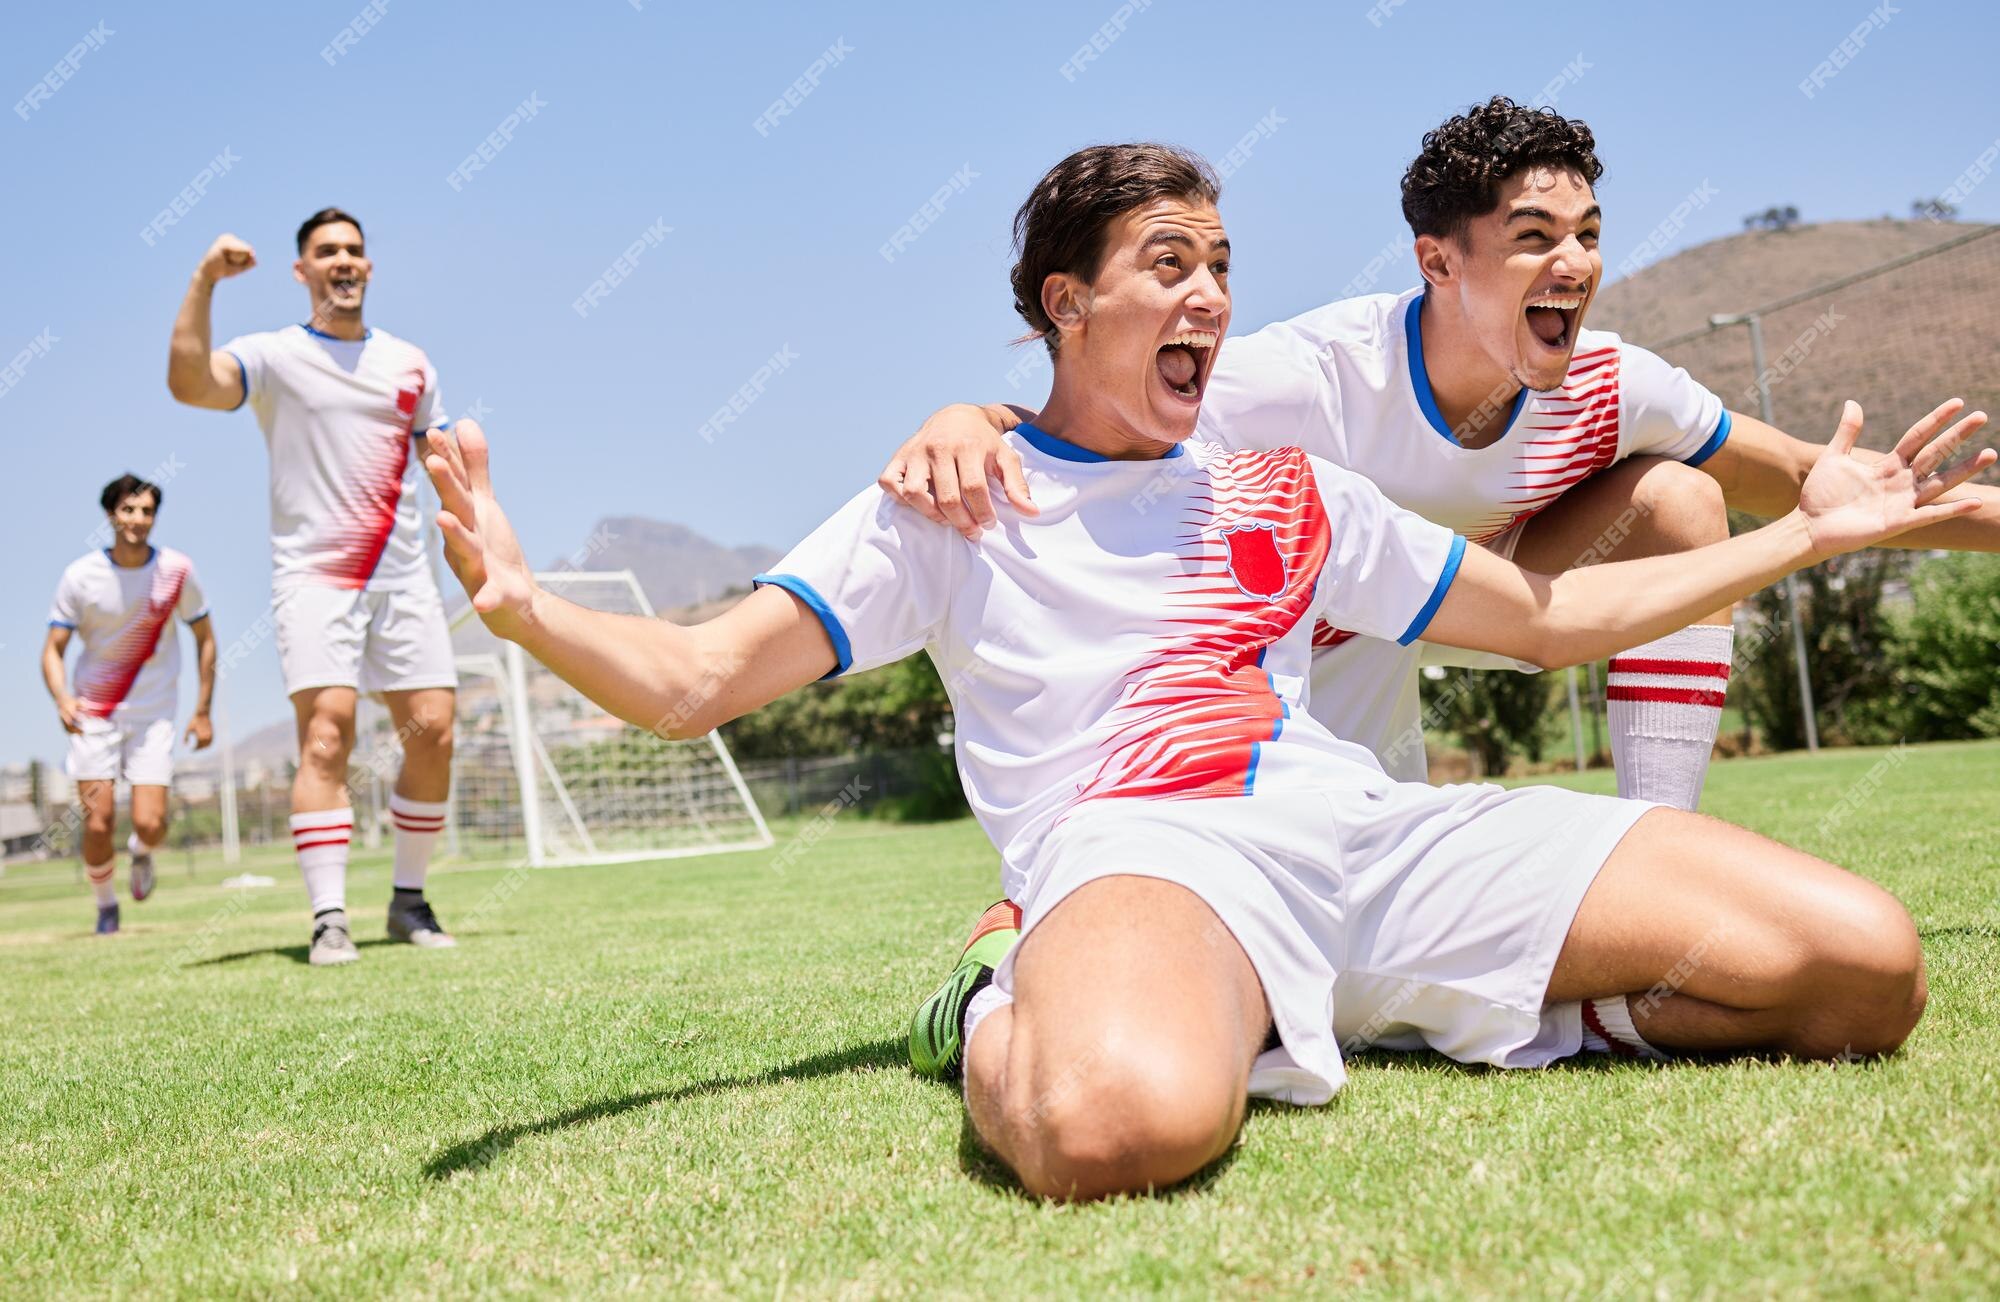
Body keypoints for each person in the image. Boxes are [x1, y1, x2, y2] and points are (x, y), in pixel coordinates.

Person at [423, 144, 1985, 1200]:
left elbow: (1550, 617)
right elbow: (695, 676)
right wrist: (525, 608)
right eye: (1167, 265)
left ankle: (1446, 1004)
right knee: (1111, 1126)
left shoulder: (1283, 487)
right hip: (1146, 856)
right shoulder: (952, 502)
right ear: (1065, 303)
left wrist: (1816, 543)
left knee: (1861, 963)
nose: (1211, 297)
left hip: (1363, 835)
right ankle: (990, 980)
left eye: (1221, 264)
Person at [879, 97, 2000, 808]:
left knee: (1677, 501)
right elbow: (1099, 417)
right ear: (1436, 261)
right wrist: (968, 419)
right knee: (1304, 857)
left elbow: (1826, 487)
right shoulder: (1304, 377)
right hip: (1319, 640)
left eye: (1587, 236)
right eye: (1531, 239)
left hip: (1513, 600)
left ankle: (1661, 839)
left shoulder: (1614, 384)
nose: (1572, 263)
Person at [165, 207, 458, 965]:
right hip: (316, 578)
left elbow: (443, 466)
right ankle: (329, 916)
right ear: (302, 271)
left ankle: (408, 900)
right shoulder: (274, 357)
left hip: (405, 579)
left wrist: (481, 535)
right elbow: (190, 384)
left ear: (370, 266)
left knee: (435, 729)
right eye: (327, 251)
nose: (344, 261)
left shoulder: (412, 364)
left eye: (356, 250)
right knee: (328, 733)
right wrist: (204, 281)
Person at [42, 474, 216, 934]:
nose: (138, 519)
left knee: (152, 823)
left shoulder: (177, 570)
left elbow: (205, 639)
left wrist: (202, 710)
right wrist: (62, 697)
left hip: (154, 713)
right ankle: (105, 906)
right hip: (93, 715)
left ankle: (141, 852)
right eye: (128, 510)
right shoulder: (80, 576)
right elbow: (52, 649)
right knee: (98, 823)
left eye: (146, 511)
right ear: (110, 515)